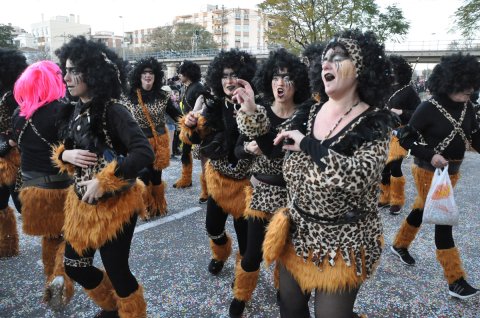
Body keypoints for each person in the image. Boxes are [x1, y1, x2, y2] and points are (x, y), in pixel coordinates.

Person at [234, 29, 396, 317]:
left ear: (361, 67)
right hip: (299, 233)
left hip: (346, 241)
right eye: (324, 60)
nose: (326, 64)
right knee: (291, 309)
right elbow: (273, 148)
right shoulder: (310, 112)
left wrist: (309, 145)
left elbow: (359, 176)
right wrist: (250, 112)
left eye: (338, 57)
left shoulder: (375, 121)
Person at [53, 36, 154, 317]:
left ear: (93, 73)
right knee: (75, 265)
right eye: (66, 69)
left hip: (115, 208)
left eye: (74, 71)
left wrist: (104, 180)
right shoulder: (75, 109)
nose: (66, 77)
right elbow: (71, 147)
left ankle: (129, 312)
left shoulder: (114, 110)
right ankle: (112, 306)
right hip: (81, 206)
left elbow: (143, 153)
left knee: (118, 271)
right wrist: (64, 155)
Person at [391, 53, 480, 299]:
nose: (469, 91)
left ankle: (399, 245)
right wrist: (430, 155)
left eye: (471, 87)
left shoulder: (468, 106)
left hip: (452, 173)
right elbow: (405, 137)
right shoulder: (428, 107)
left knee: (422, 207)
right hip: (427, 171)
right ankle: (456, 280)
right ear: (449, 82)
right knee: (443, 219)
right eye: (464, 87)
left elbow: (474, 136)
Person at [229, 48, 310, 317]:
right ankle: (241, 293)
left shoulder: (306, 115)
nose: (280, 83)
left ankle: (283, 290)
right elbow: (237, 150)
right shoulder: (259, 110)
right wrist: (249, 150)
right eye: (276, 77)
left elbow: (279, 149)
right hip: (261, 193)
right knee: (252, 255)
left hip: (293, 198)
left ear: (298, 82)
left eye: (287, 78)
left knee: (288, 255)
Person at [180, 49, 257, 276]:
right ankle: (220, 254)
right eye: (224, 76)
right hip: (219, 182)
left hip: (245, 185)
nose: (229, 81)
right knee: (213, 228)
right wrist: (191, 124)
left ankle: (242, 283)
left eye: (234, 75)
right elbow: (193, 138)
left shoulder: (255, 105)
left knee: (245, 239)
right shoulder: (213, 105)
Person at [12, 60, 75, 310]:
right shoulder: (62, 111)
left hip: (31, 189)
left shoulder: (19, 115)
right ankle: (61, 275)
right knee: (70, 237)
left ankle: (50, 281)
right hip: (60, 188)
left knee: (49, 237)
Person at [124, 57, 181, 217]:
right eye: (144, 72)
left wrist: (190, 122)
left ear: (156, 76)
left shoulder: (163, 96)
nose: (148, 75)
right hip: (138, 143)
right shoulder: (130, 96)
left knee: (156, 177)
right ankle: (145, 206)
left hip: (159, 142)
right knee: (143, 174)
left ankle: (158, 205)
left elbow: (176, 115)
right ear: (139, 75)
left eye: (151, 72)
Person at [379, 55, 420, 215]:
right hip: (384, 131)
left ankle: (397, 200)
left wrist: (401, 111)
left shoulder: (409, 91)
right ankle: (384, 197)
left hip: (401, 133)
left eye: (393, 70)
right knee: (384, 167)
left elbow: (418, 113)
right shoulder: (386, 88)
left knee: (395, 165)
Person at [0, 48, 26, 258]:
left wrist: (11, 140)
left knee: (22, 201)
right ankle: (6, 246)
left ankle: (55, 237)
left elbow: (24, 119)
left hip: (13, 156)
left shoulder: (12, 95)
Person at [173, 60, 205, 189]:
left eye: (181, 72)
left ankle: (207, 187)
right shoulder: (184, 87)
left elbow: (204, 106)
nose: (179, 75)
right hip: (186, 126)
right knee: (185, 153)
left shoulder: (198, 87)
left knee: (205, 157)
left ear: (188, 73)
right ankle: (186, 178)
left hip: (199, 127)